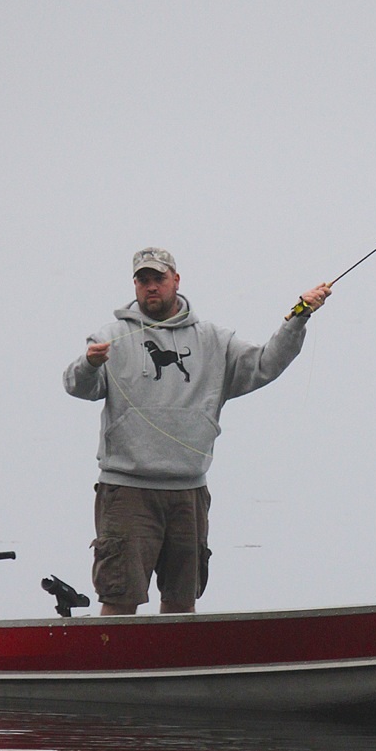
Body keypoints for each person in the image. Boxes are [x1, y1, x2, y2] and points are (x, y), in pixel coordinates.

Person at [64, 248, 331, 615]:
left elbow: (264, 364)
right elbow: (78, 387)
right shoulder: (111, 336)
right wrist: (89, 364)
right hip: (127, 492)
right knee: (120, 596)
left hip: (188, 493)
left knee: (181, 601)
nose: (151, 287)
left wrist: (297, 318)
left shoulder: (213, 340)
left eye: (158, 278)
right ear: (135, 285)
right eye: (143, 280)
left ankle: (174, 672)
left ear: (176, 280)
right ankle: (115, 670)